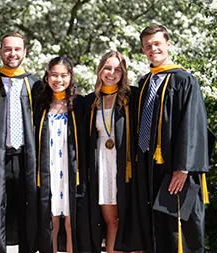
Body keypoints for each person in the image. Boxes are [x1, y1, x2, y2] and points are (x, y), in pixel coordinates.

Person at [135, 24, 210, 253]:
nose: (153, 49)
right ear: (143, 51)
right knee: (157, 226)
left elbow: (193, 125)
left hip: (176, 169)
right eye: (148, 46)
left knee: (180, 228)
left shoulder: (185, 81)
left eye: (157, 43)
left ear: (168, 44)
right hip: (150, 166)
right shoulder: (145, 83)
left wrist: (183, 168)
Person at [0, 32, 40, 253]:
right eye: (8, 49)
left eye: (17, 49)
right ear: (0, 52)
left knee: (27, 207)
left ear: (24, 52)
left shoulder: (35, 84)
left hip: (27, 158)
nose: (12, 53)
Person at [84, 51, 140, 253]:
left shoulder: (131, 98)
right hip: (102, 166)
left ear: (123, 73)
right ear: (100, 70)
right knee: (111, 222)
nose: (112, 73)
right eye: (108, 67)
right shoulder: (90, 101)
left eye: (117, 69)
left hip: (126, 167)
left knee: (130, 221)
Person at [34, 56, 90, 253]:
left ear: (70, 77)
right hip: (49, 166)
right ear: (47, 77)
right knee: (51, 220)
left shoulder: (79, 104)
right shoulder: (41, 105)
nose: (58, 80)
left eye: (63, 75)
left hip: (70, 168)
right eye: (54, 75)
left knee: (70, 221)